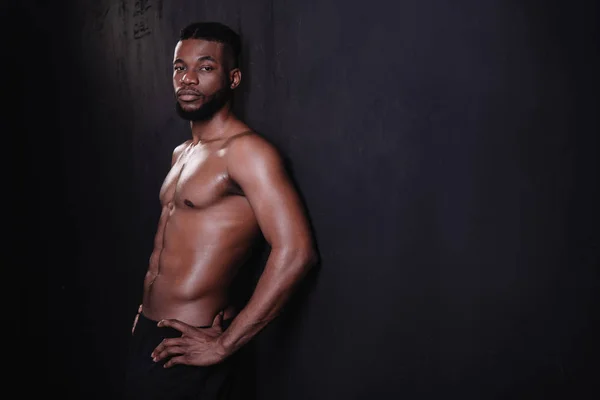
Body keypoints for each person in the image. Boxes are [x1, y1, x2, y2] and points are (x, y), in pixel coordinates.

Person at [123, 21, 318, 399]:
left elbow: (297, 253)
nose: (188, 79)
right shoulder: (182, 153)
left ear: (234, 77)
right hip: (150, 335)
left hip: (192, 345)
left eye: (205, 67)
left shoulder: (247, 153)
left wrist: (224, 344)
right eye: (180, 67)